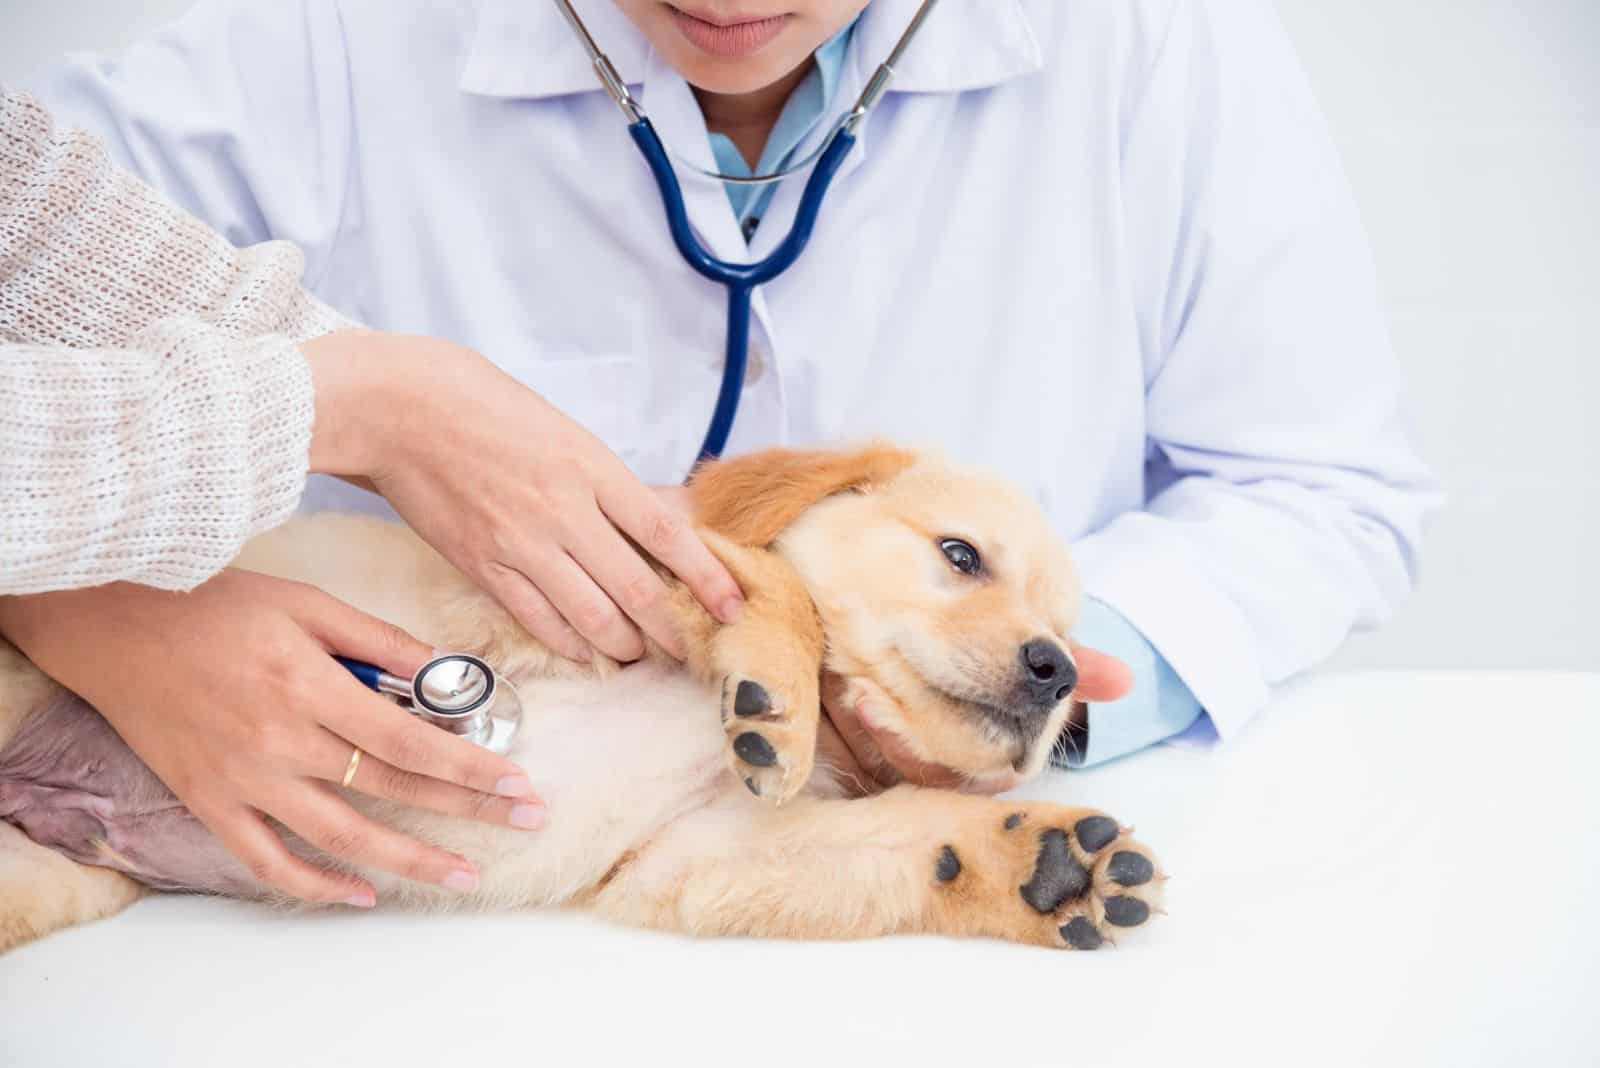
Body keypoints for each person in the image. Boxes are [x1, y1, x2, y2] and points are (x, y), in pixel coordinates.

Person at [0, 0, 1436, 901]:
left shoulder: (1156, 48)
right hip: (322, 926)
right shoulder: (317, 45)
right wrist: (80, 604)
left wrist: (1021, 698)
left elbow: (1320, 488)